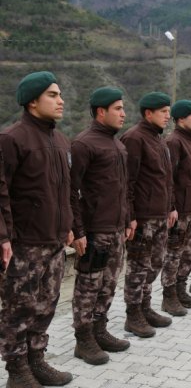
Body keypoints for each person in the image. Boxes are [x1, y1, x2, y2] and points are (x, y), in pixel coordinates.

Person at [0, 71, 74, 387]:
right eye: (52, 95)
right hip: (24, 243)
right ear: (33, 101)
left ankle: (36, 361)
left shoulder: (59, 139)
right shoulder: (12, 139)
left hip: (54, 241)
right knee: (19, 310)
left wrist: (69, 225)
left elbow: (65, 189)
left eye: (59, 95)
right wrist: (3, 237)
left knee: (46, 306)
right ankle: (17, 371)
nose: (61, 101)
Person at [70, 87, 131, 366]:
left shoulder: (117, 144)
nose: (123, 114)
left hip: (117, 228)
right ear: (100, 111)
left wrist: (128, 217)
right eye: (117, 109)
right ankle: (83, 340)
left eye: (123, 108)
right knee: (88, 287)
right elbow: (72, 191)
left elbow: (123, 187)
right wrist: (78, 230)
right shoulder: (84, 144)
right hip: (95, 231)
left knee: (108, 284)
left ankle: (99, 330)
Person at [120, 92, 177, 338]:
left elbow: (166, 178)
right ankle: (133, 315)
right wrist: (130, 216)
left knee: (154, 263)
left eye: (168, 111)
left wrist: (171, 206)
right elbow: (127, 183)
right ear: (148, 113)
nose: (168, 116)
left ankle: (145, 306)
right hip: (143, 217)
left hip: (160, 214)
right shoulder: (134, 138)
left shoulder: (158, 139)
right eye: (163, 112)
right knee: (138, 266)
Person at [161, 100, 191, 317]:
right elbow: (169, 179)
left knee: (189, 253)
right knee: (174, 255)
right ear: (180, 119)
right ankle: (169, 297)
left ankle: (181, 290)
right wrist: (172, 207)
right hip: (181, 209)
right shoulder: (174, 142)